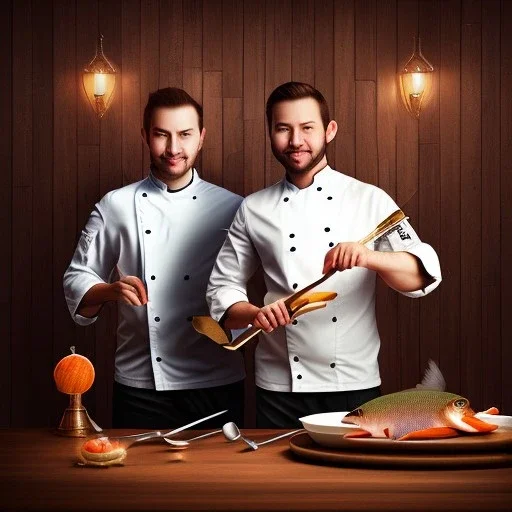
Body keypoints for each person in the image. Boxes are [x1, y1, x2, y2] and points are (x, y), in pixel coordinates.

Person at [207, 81, 442, 428]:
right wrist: (257, 314)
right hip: (279, 385)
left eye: (307, 128)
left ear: (329, 131)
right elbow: (221, 289)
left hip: (353, 383)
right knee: (278, 480)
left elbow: (423, 273)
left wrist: (368, 256)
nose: (296, 140)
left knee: (350, 482)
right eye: (283, 129)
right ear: (271, 133)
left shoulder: (369, 199)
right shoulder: (253, 208)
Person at [64, 87, 245, 429]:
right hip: (141, 383)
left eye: (185, 135)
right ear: (145, 135)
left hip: (218, 378)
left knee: (217, 481)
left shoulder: (234, 208)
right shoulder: (116, 205)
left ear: (201, 138)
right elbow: (77, 279)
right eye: (162, 135)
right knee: (138, 482)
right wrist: (112, 290)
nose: (174, 148)